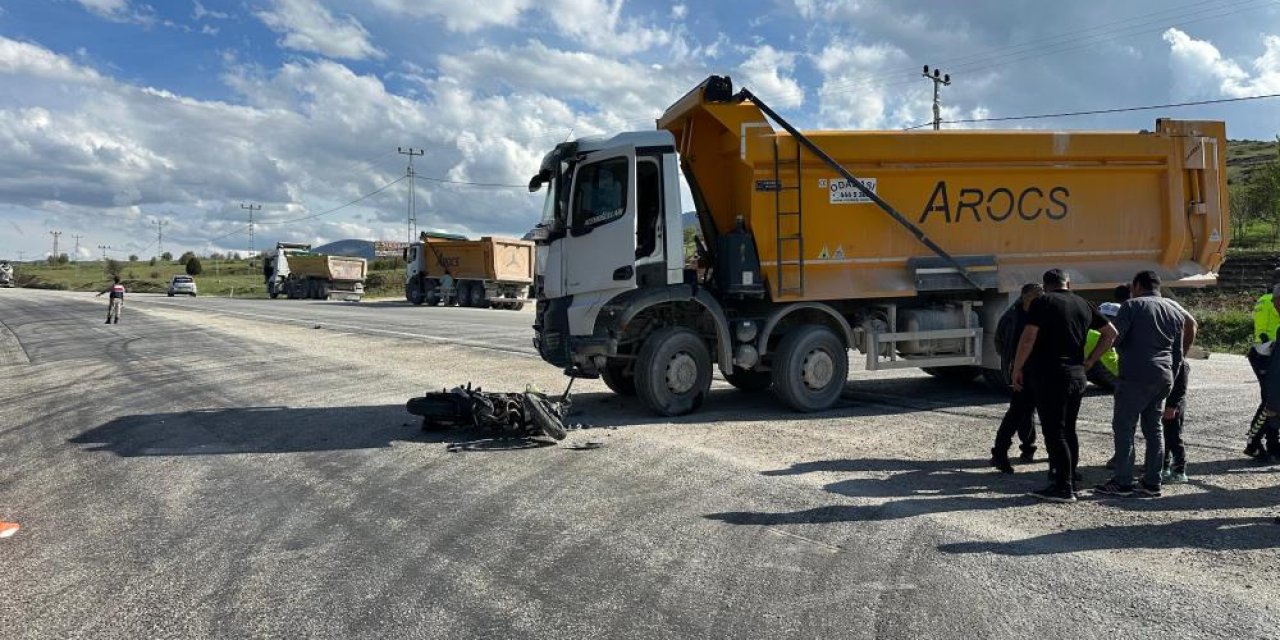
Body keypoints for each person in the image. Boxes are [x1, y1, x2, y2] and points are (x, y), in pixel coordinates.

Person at [1012, 269, 1115, 503]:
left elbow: (1028, 337)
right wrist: (1091, 360)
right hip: (1077, 375)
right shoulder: (1084, 303)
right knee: (1068, 429)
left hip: (1050, 375)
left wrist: (1017, 368)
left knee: (1054, 432)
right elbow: (1111, 334)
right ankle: (1070, 475)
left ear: (1046, 285)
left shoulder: (1043, 302)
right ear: (1068, 283)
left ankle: (1063, 487)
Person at [1093, 271, 1192, 498]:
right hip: (1164, 376)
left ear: (1137, 285)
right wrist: (1172, 380)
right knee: (1154, 430)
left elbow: (1115, 338)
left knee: (1125, 428)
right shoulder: (1174, 311)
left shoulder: (1131, 306)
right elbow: (1178, 354)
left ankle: (1123, 482)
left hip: (1136, 375)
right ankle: (1152, 482)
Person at [990, 283, 1043, 473]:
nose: (1039, 298)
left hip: (1040, 370)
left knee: (1038, 413)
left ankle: (1028, 448)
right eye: (1036, 295)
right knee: (1019, 412)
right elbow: (1000, 339)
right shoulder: (1013, 315)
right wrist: (1012, 363)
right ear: (1024, 297)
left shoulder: (1044, 313)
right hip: (1021, 370)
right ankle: (1003, 452)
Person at [1246, 269, 1280, 458]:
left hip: (1262, 351)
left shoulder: (1262, 299)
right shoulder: (1271, 301)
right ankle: (1254, 442)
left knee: (1272, 400)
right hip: (1269, 354)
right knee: (1270, 401)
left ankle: (1272, 443)